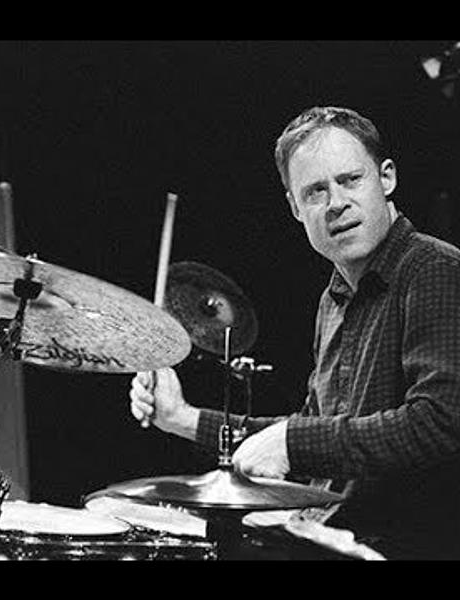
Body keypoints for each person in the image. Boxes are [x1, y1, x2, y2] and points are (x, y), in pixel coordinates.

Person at [129, 105, 460, 560]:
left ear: (386, 178)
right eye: (316, 191)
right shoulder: (334, 300)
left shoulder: (434, 270)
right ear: (295, 207)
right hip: (333, 538)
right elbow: (310, 430)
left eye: (350, 180)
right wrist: (182, 418)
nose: (336, 203)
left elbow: (441, 422)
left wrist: (292, 444)